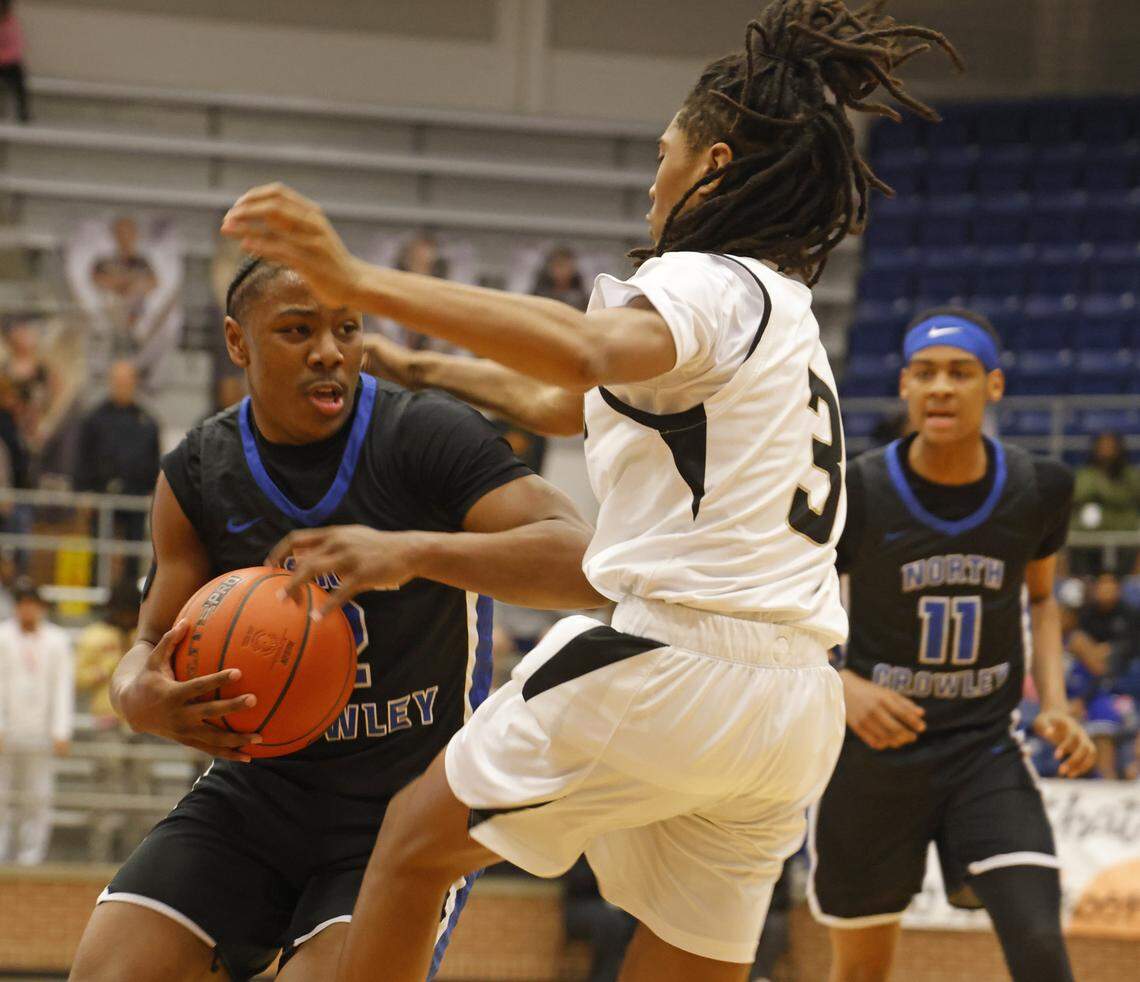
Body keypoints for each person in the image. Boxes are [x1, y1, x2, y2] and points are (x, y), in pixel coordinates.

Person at [220, 4, 962, 979]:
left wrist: (360, 276)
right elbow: (568, 400)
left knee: (408, 845)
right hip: (791, 704)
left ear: (714, 166)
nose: (653, 180)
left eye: (666, 154)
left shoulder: (703, 278)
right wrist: (427, 366)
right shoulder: (784, 312)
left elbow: (583, 349)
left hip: (675, 660)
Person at [67, 257, 597, 982]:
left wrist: (411, 552)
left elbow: (583, 561)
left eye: (346, 329)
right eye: (297, 329)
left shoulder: (423, 435)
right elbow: (149, 645)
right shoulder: (197, 471)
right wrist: (138, 696)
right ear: (236, 341)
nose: (329, 351)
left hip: (405, 809)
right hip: (256, 796)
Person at [809, 307, 1095, 982]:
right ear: (904, 386)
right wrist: (840, 683)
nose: (942, 387)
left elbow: (1044, 597)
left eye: (960, 373)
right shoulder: (857, 488)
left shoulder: (1039, 486)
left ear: (993, 387)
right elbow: (790, 606)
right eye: (926, 373)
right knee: (860, 973)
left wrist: (1055, 703)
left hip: (983, 750)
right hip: (873, 755)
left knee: (1040, 948)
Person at [0, 579, 74, 865]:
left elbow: (62, 686)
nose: (27, 609)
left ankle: (32, 854)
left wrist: (60, 730)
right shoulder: (3, 636)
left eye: (32, 603)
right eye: (22, 603)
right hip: (9, 729)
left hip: (41, 731)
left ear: (41, 607)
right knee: (3, 794)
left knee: (38, 795)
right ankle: (3, 851)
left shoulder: (57, 640)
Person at [73, 359, 161, 579]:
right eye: (118, 381)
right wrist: (83, 492)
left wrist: (154, 492)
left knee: (133, 548)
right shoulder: (94, 419)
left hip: (135, 494)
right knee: (99, 547)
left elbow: (154, 460)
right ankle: (96, 593)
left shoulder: (147, 421)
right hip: (101, 493)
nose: (122, 386)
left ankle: (129, 597)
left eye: (126, 381)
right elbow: (83, 457)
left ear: (134, 383)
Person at [74, 575, 140, 728]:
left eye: (132, 613)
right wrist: (105, 668)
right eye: (124, 613)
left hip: (142, 719)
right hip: (106, 717)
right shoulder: (95, 635)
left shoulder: (143, 635)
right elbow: (77, 679)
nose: (128, 618)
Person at [1071, 432, 1140, 574]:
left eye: (1110, 446)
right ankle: (1084, 581)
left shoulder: (1130, 474)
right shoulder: (1086, 473)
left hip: (1124, 530)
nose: (1106, 450)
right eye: (1102, 446)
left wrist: (1101, 489)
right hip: (1090, 533)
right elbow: (1078, 495)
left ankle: (1122, 583)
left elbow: (1128, 495)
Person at [0, 1, 28, 123]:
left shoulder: (12, 24)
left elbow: (16, 48)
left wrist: (3, 57)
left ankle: (23, 112)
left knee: (18, 75)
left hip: (8, 63)